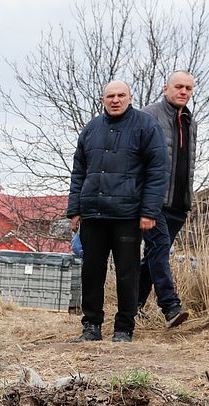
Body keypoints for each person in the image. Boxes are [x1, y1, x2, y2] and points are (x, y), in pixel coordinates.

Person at [66, 80, 168, 343]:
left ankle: (124, 327)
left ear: (130, 97)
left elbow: (157, 172)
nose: (115, 100)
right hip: (94, 214)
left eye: (121, 95)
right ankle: (91, 326)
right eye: (110, 96)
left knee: (127, 274)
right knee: (91, 273)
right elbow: (79, 172)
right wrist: (74, 210)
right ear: (102, 100)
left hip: (128, 215)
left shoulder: (146, 127)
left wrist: (149, 211)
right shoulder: (90, 130)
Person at [139, 70, 196, 328]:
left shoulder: (189, 121)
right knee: (160, 249)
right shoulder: (149, 116)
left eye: (188, 88)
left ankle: (132, 306)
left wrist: (187, 199)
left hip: (178, 203)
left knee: (153, 255)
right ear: (166, 88)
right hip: (154, 202)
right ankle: (171, 307)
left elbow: (188, 163)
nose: (183, 92)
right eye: (179, 87)